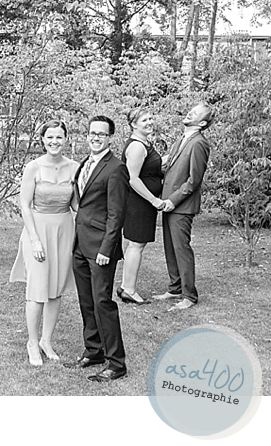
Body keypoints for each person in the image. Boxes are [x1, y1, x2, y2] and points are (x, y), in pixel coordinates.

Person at [64, 115, 128, 382]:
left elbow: (116, 214)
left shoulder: (116, 168)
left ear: (110, 137)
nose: (96, 137)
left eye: (101, 134)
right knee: (86, 300)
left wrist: (106, 249)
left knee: (103, 302)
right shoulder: (85, 163)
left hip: (101, 248)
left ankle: (117, 363)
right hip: (81, 244)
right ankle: (93, 351)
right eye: (92, 133)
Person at [9, 120, 78, 365]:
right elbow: (25, 205)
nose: (54, 142)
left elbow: (76, 204)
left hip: (64, 230)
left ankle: (46, 341)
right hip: (37, 229)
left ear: (66, 139)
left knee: (56, 289)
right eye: (50, 137)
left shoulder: (74, 167)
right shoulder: (34, 167)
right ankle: (32, 342)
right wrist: (35, 240)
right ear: (42, 139)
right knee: (37, 290)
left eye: (59, 137)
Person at [152, 102, 213, 312]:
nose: (189, 113)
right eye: (191, 110)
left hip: (181, 206)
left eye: (195, 113)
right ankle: (175, 288)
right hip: (168, 203)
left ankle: (189, 296)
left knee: (181, 249)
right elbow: (169, 169)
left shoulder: (199, 143)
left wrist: (173, 200)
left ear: (202, 123)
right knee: (170, 248)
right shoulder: (181, 139)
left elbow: (194, 180)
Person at [118, 108, 164, 305]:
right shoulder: (137, 146)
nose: (149, 122)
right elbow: (133, 179)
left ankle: (125, 286)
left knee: (135, 244)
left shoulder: (144, 143)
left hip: (141, 202)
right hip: (139, 202)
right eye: (144, 120)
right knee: (136, 244)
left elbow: (147, 168)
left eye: (151, 118)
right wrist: (153, 200)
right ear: (133, 124)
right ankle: (129, 290)